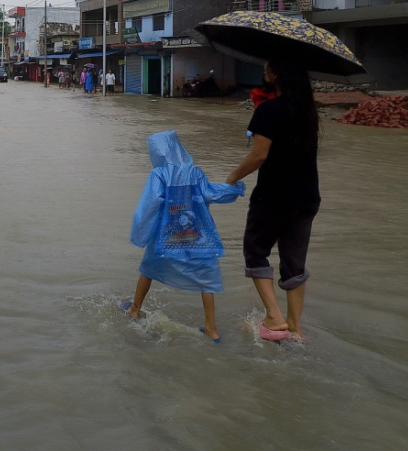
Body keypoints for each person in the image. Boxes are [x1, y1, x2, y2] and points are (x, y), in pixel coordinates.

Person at [226, 58, 321, 342]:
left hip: (273, 197)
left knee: (255, 251)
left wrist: (232, 178)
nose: (263, 71)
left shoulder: (268, 110)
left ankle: (274, 317)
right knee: (294, 262)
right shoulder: (308, 111)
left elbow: (259, 155)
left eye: (267, 67)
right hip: (307, 198)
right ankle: (295, 328)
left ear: (276, 74)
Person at [125, 130, 246, 341]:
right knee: (206, 279)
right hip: (197, 236)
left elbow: (150, 206)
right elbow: (211, 193)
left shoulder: (159, 174)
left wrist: (140, 233)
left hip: (166, 236)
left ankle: (135, 309)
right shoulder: (195, 173)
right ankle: (211, 327)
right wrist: (233, 189)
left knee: (147, 269)